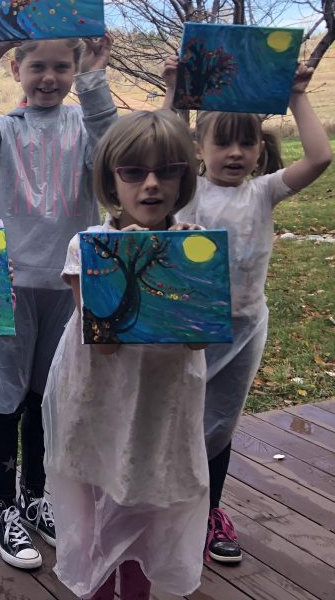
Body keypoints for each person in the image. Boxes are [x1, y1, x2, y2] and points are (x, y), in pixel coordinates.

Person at [0, 6, 117, 568]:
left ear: (73, 70)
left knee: (49, 393)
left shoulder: (86, 125)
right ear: (18, 69)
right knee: (7, 393)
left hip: (71, 282)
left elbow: (112, 151)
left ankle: (36, 493)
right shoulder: (6, 129)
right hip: (12, 279)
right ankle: (2, 505)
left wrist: (96, 80)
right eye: (36, 67)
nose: (48, 78)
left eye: (61, 68)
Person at [164, 58, 332, 563]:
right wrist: (174, 91)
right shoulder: (185, 193)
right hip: (187, 330)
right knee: (173, 422)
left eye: (247, 142)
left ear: (260, 151)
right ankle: (170, 511)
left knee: (219, 426)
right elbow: (158, 147)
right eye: (222, 142)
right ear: (199, 149)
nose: (235, 152)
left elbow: (321, 158)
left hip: (243, 329)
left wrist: (297, 95)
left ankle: (209, 511)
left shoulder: (263, 192)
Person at [43, 110, 210, 599]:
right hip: (101, 402)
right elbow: (106, 338)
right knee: (99, 521)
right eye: (134, 172)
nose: (151, 185)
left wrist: (181, 269)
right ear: (112, 180)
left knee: (146, 517)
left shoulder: (196, 245)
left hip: (161, 405)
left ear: (185, 177)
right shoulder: (90, 245)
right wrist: (129, 264)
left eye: (168, 170)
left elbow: (197, 339)